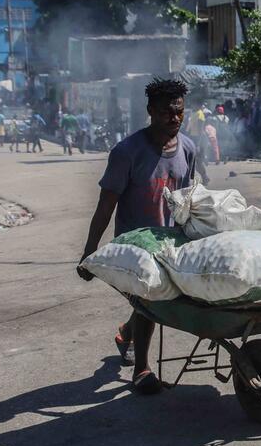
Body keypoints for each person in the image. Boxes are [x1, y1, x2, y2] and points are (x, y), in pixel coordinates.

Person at [78, 78, 199, 396]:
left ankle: (126, 332)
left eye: (178, 113)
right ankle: (142, 369)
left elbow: (187, 197)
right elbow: (106, 206)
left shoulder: (188, 148)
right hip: (135, 244)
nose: (173, 119)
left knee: (159, 298)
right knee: (150, 298)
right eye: (165, 113)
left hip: (169, 240)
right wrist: (88, 254)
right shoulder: (127, 152)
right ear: (150, 111)